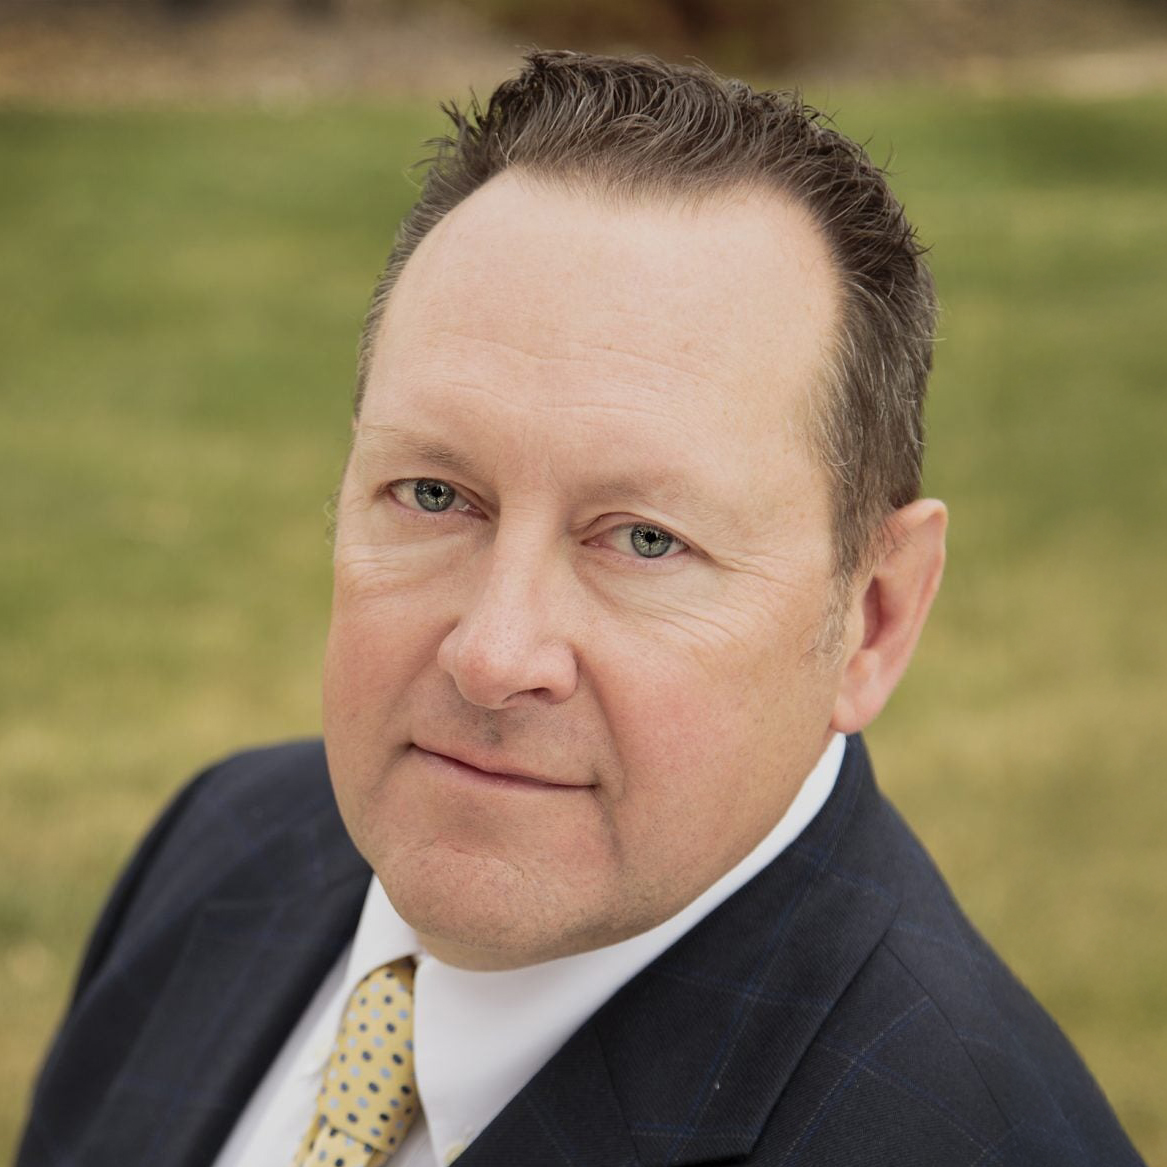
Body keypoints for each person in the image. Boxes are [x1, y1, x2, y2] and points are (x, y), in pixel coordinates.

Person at [18, 50, 1145, 1167]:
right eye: (433, 493)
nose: (492, 654)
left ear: (876, 619)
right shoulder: (225, 844)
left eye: (646, 539)